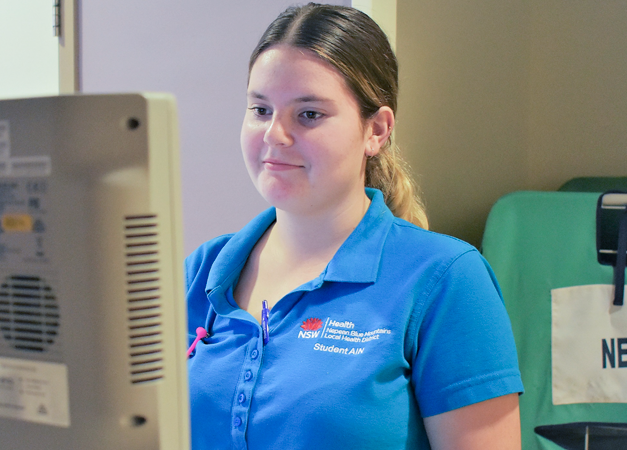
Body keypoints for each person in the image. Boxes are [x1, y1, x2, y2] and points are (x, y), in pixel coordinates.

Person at [185, 3, 523, 449]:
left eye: (309, 114)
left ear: (377, 131)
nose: (275, 135)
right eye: (261, 110)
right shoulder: (204, 271)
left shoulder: (446, 279)